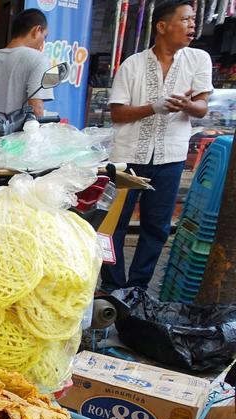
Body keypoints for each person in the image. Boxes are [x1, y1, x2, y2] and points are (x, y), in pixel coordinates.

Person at [102, 0, 211, 291]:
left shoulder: (198, 59)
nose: (192, 25)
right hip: (126, 158)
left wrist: (188, 104)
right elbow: (117, 113)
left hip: (170, 158)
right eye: (186, 19)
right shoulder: (133, 64)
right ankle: (113, 286)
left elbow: (202, 107)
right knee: (112, 225)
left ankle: (137, 289)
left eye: (192, 20)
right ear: (162, 26)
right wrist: (154, 107)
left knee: (157, 228)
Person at [0, 9, 52, 115]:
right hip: (18, 131)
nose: (43, 42)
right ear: (37, 30)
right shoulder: (39, 59)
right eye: (44, 36)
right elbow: (36, 108)